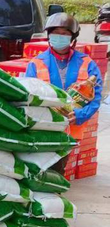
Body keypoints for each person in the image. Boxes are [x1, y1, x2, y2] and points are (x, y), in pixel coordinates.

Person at [25, 13, 102, 171]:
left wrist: (80, 115)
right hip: (43, 126)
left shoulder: (87, 63)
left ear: (72, 37)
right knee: (38, 167)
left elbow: (96, 98)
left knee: (57, 168)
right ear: (49, 35)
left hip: (70, 129)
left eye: (65, 33)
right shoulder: (36, 63)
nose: (59, 37)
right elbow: (27, 95)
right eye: (56, 33)